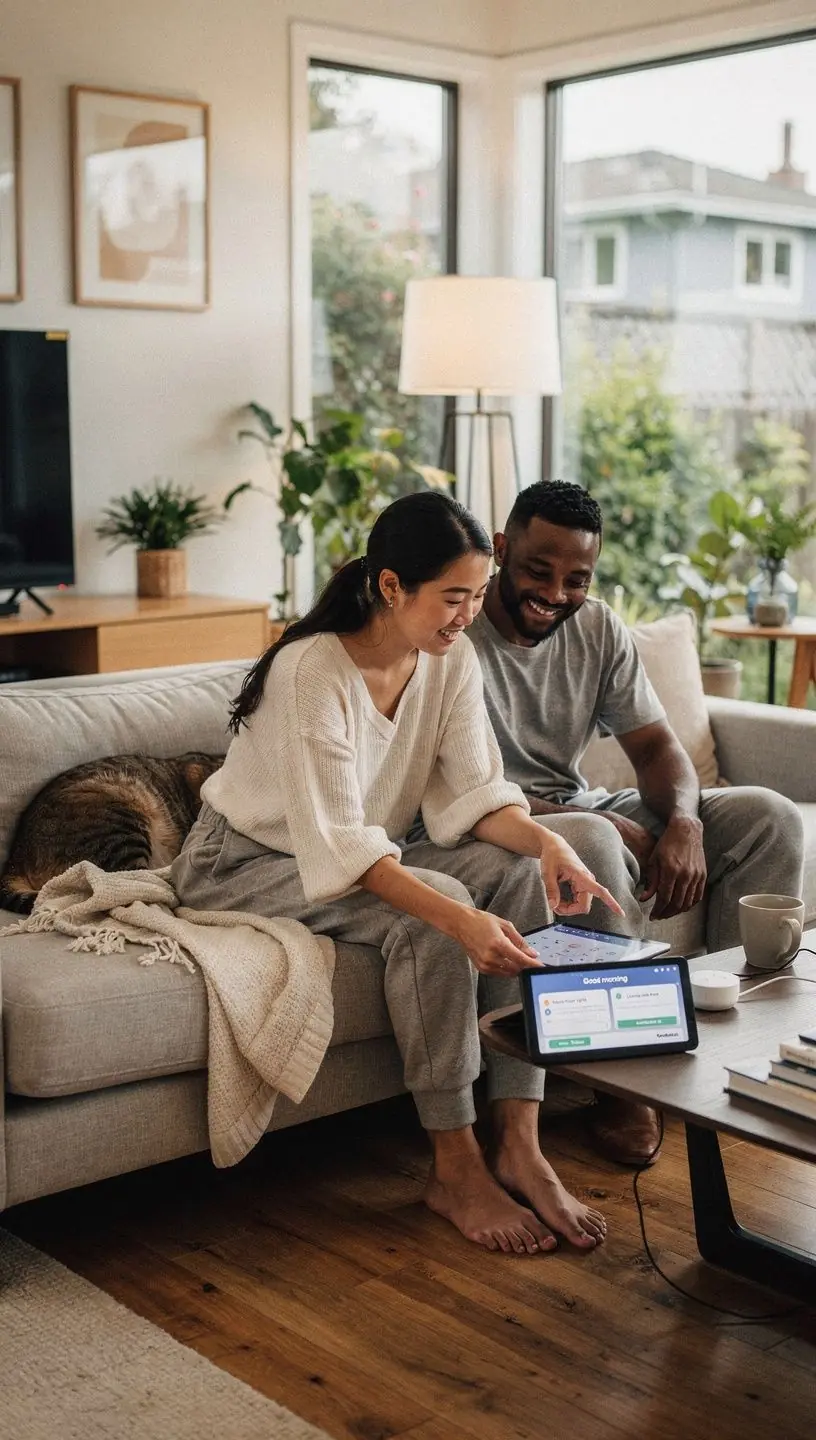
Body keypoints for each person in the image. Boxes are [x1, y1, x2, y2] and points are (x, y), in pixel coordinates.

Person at [172, 492, 626, 1255]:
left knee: (519, 877)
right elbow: (342, 845)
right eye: (454, 597)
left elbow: (478, 797)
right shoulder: (311, 670)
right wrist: (456, 918)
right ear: (391, 587)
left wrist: (549, 846)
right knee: (439, 905)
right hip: (242, 862)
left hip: (347, 848)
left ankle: (520, 1140)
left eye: (479, 595)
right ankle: (454, 1166)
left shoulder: (451, 661)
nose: (469, 614)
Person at [468, 479, 805, 1167]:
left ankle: (729, 1051)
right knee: (590, 833)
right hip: (490, 819)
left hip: (578, 801)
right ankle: (626, 1083)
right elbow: (455, 789)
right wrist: (588, 821)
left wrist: (685, 822)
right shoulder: (453, 630)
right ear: (501, 550)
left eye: (576, 579)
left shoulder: (596, 629)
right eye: (538, 570)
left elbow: (655, 748)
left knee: (766, 817)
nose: (555, 593)